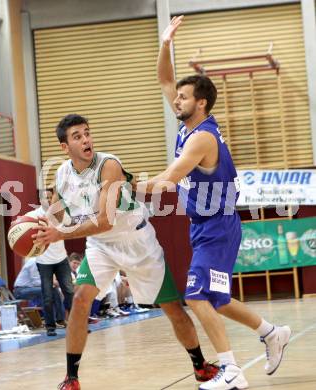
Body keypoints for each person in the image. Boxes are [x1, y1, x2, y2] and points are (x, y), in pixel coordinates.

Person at [135, 15, 291, 390]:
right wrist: (164, 43)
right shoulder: (187, 125)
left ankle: (232, 371)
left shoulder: (201, 139)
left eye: (184, 96)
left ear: (200, 103)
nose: (176, 98)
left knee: (197, 297)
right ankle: (272, 332)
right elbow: (164, 79)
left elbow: (169, 179)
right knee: (217, 299)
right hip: (205, 225)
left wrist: (124, 185)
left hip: (217, 226)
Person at [33, 114, 219, 390]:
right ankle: (71, 378)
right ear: (64, 147)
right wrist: (38, 230)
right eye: (77, 136)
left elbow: (105, 220)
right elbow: (57, 214)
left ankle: (199, 364)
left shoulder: (109, 165)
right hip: (100, 246)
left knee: (172, 309)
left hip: (137, 242)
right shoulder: (61, 174)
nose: (86, 139)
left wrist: (61, 233)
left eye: (87, 132)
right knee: (81, 299)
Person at [27, 189, 74, 336]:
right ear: (40, 200)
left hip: (61, 260)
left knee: (70, 292)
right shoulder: (33, 216)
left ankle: (76, 325)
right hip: (44, 261)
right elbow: (19, 224)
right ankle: (50, 327)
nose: (47, 200)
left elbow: (71, 226)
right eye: (44, 198)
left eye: (50, 197)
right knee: (47, 296)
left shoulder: (60, 214)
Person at [13, 257, 66, 327]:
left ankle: (59, 319)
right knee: (49, 291)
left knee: (54, 291)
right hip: (21, 290)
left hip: (29, 288)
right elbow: (36, 282)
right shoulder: (34, 262)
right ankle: (52, 320)